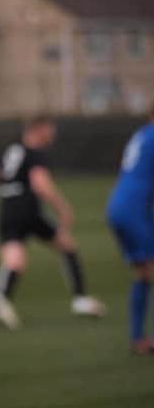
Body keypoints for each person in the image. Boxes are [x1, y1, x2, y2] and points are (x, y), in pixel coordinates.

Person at [0, 116, 105, 330]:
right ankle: (80, 299)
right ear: (38, 130)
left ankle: (0, 297)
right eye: (50, 130)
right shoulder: (35, 154)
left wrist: (8, 187)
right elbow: (41, 185)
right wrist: (63, 208)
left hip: (6, 208)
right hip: (28, 208)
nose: (53, 135)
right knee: (67, 246)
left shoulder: (11, 150)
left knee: (14, 260)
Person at [107, 105, 154, 354]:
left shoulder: (142, 134)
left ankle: (138, 338)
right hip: (135, 210)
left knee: (144, 273)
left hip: (119, 206)